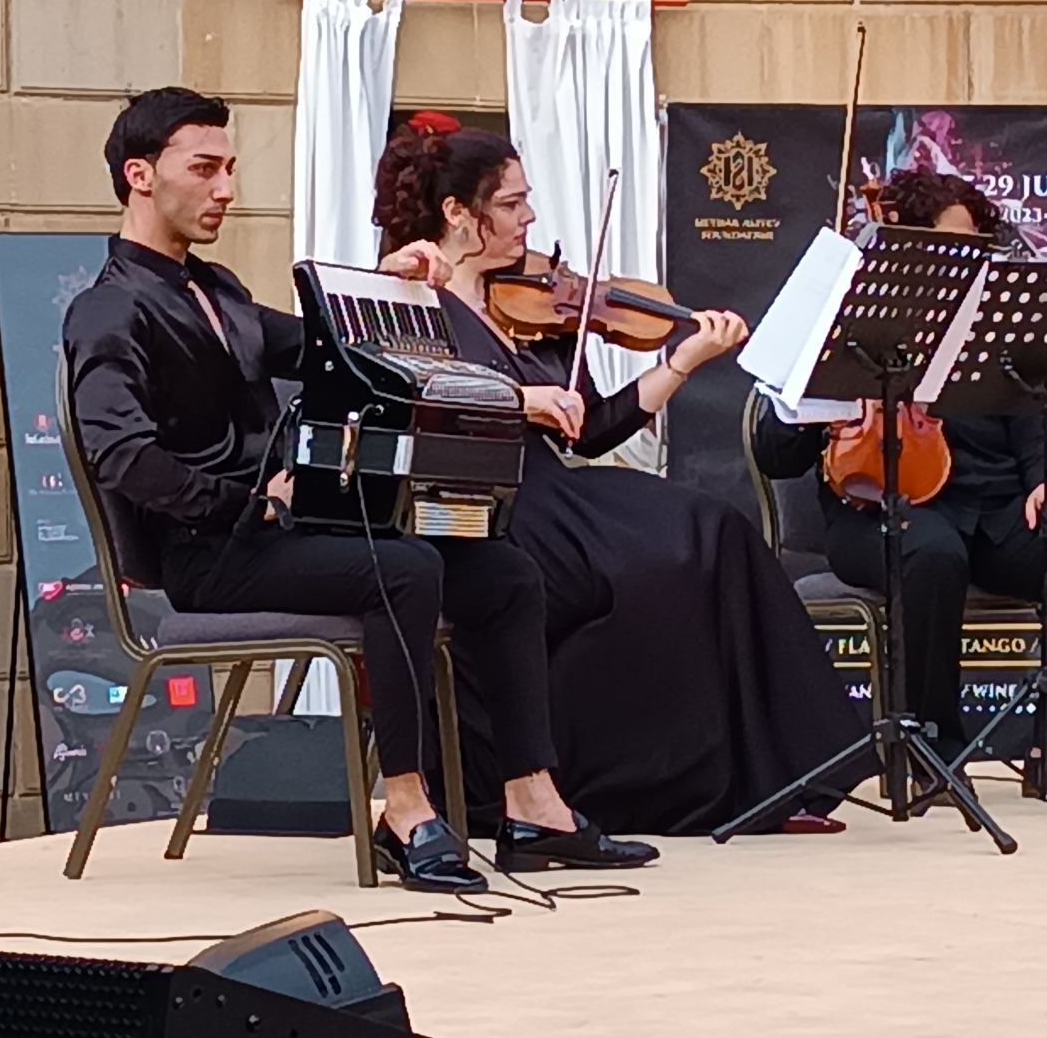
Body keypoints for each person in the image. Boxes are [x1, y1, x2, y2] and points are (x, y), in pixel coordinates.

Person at [62, 87, 658, 890]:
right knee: (406, 568)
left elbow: (326, 351)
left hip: (273, 531)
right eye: (205, 168)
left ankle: (532, 804)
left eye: (230, 167)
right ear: (139, 175)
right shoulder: (108, 309)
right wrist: (248, 501)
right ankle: (404, 811)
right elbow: (120, 455)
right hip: (208, 553)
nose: (226, 188)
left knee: (506, 571)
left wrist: (385, 283)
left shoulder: (220, 291)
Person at [372, 116, 875, 837]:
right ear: (458, 212)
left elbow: (593, 427)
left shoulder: (516, 303)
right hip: (496, 505)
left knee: (716, 531)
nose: (530, 217)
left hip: (557, 490)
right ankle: (650, 789)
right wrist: (516, 399)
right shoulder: (413, 295)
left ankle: (772, 780)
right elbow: (414, 404)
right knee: (670, 558)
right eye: (511, 203)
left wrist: (682, 362)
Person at [753, 167, 1046, 780]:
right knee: (932, 554)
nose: (971, 262)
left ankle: (1044, 751)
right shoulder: (852, 325)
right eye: (955, 248)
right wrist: (803, 383)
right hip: (878, 510)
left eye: (978, 248)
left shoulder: (989, 322)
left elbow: (1029, 414)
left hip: (994, 511)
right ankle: (936, 746)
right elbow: (778, 456)